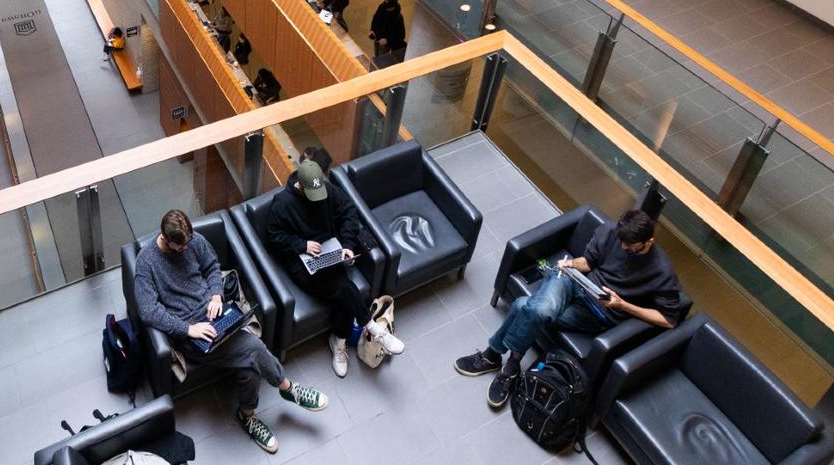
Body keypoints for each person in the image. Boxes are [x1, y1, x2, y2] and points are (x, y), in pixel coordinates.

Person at [135, 210, 329, 454]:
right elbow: (148, 311)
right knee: (253, 348)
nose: (187, 249)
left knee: (249, 367)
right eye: (180, 247)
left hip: (214, 313)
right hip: (192, 333)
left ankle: (247, 415)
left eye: (188, 243)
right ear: (165, 239)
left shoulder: (192, 239)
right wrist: (188, 329)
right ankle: (287, 387)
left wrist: (216, 294)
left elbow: (212, 266)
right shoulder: (147, 262)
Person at [454, 210, 683, 408]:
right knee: (541, 310)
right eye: (621, 243)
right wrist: (571, 264)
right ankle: (510, 367)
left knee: (524, 306)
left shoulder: (661, 271)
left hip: (599, 311)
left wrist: (623, 305)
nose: (623, 248)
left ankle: (494, 356)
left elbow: (668, 319)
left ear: (649, 242)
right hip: (575, 281)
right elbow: (589, 262)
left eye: (630, 248)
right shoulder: (611, 231)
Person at [267, 159, 405, 378]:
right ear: (300, 186)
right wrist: (301, 244)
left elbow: (348, 212)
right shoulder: (281, 204)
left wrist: (348, 245)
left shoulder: (327, 188)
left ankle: (339, 341)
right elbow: (275, 237)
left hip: (331, 252)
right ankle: (371, 327)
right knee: (343, 287)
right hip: (301, 262)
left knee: (342, 290)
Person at [368, 0, 407, 66]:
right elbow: (375, 18)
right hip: (377, 38)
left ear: (393, 7)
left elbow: (401, 35)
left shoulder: (398, 18)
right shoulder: (382, 7)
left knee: (382, 59)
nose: (386, 8)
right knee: (377, 57)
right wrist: (372, 29)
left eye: (388, 7)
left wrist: (387, 40)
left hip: (386, 44)